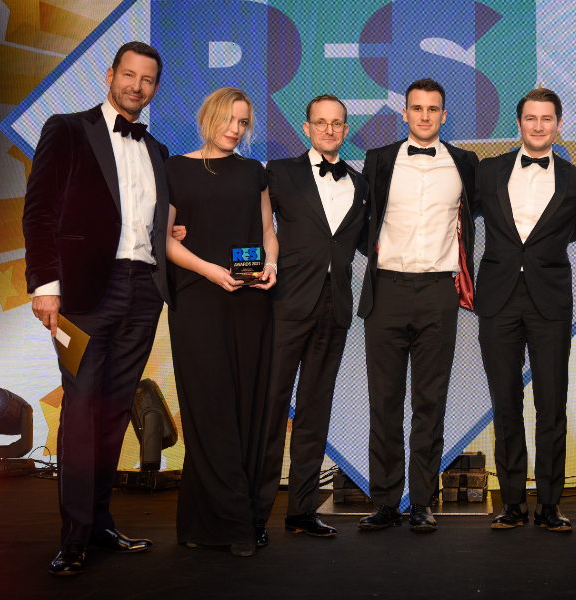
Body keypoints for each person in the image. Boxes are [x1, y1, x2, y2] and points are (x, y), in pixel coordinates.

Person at [23, 41, 171, 576]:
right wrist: (45, 283)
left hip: (142, 291)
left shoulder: (157, 149)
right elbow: (39, 212)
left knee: (114, 410)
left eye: (147, 79)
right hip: (83, 294)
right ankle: (75, 534)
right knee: (82, 409)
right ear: (110, 75)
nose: (136, 86)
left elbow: (150, 220)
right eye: (128, 75)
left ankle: (102, 521)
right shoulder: (66, 129)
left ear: (155, 87)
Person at [357, 78, 478, 532]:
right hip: (386, 290)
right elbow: (356, 221)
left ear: (444, 116)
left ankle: (422, 501)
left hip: (438, 293)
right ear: (403, 114)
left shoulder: (465, 164)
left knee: (431, 402)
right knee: (384, 401)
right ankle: (386, 501)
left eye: (433, 109)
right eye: (416, 108)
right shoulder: (379, 160)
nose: (425, 116)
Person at [164, 87, 278, 557]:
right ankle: (235, 524)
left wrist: (272, 266)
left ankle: (204, 518)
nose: (235, 129)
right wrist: (211, 271)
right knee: (209, 407)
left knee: (245, 406)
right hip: (197, 300)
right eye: (229, 120)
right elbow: (165, 241)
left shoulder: (255, 172)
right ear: (208, 117)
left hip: (251, 301)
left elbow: (269, 232)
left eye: (243, 122)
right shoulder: (174, 168)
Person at [475, 88, 576, 532]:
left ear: (558, 124)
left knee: (552, 405)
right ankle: (511, 504)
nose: (538, 126)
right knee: (505, 405)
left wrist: (542, 256)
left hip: (551, 302)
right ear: (518, 124)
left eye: (547, 119)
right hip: (498, 300)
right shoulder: (488, 172)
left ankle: (549, 505)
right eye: (530, 118)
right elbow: (464, 216)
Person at [254, 95, 367, 542]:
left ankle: (301, 512)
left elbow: (369, 241)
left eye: (337, 123)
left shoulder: (359, 183)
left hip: (335, 308)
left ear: (345, 129)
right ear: (306, 128)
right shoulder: (279, 172)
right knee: (270, 412)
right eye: (320, 122)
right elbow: (253, 225)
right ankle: (255, 515)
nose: (329, 129)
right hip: (285, 307)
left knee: (315, 413)